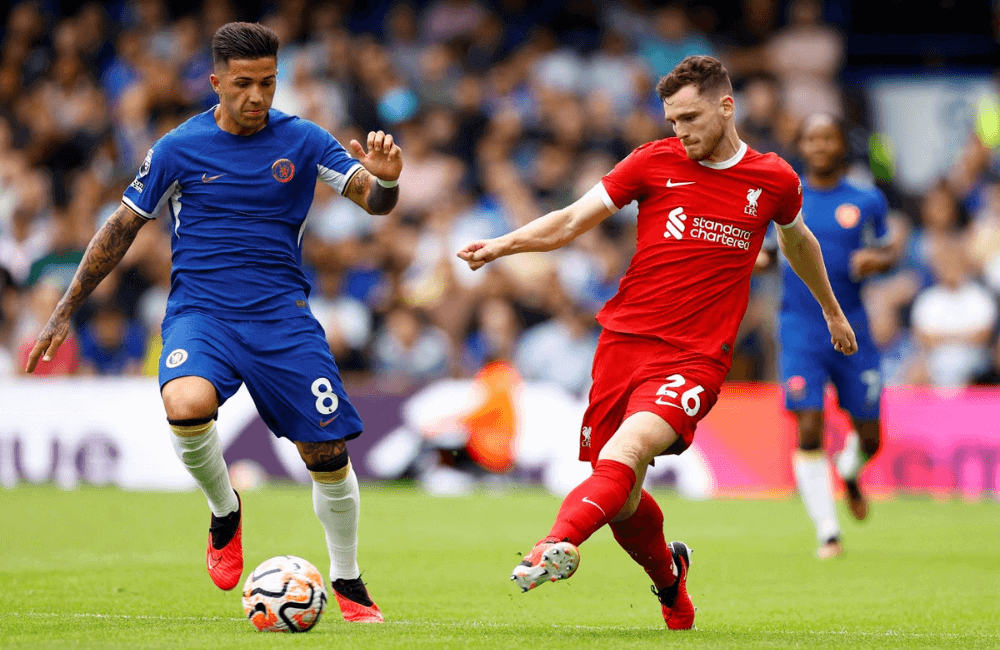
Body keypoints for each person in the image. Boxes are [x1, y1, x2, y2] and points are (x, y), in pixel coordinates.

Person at [458, 55, 857, 629]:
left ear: (727, 106)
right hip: (623, 343)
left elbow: (799, 244)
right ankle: (671, 582)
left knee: (626, 452)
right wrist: (503, 245)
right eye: (672, 120)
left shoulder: (774, 179)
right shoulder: (654, 161)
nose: (681, 132)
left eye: (691, 118)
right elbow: (572, 220)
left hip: (695, 357)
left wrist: (831, 311)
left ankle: (554, 543)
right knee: (617, 494)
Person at [25, 22, 401, 623]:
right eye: (244, 83)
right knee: (186, 403)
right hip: (202, 313)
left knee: (327, 453)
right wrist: (65, 308)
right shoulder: (179, 146)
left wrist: (388, 179)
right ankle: (225, 511)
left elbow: (374, 201)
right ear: (217, 81)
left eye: (269, 83)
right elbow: (121, 228)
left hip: (282, 317)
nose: (258, 96)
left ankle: (349, 580)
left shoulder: (304, 140)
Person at [756, 114, 902, 559]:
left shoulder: (866, 199)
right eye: (811, 138)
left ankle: (851, 473)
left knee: (870, 436)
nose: (820, 145)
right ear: (801, 144)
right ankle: (827, 531)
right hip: (800, 329)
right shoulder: (785, 197)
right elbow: (762, 252)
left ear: (841, 144)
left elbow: (889, 247)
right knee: (809, 424)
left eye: (828, 138)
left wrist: (877, 261)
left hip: (854, 327)